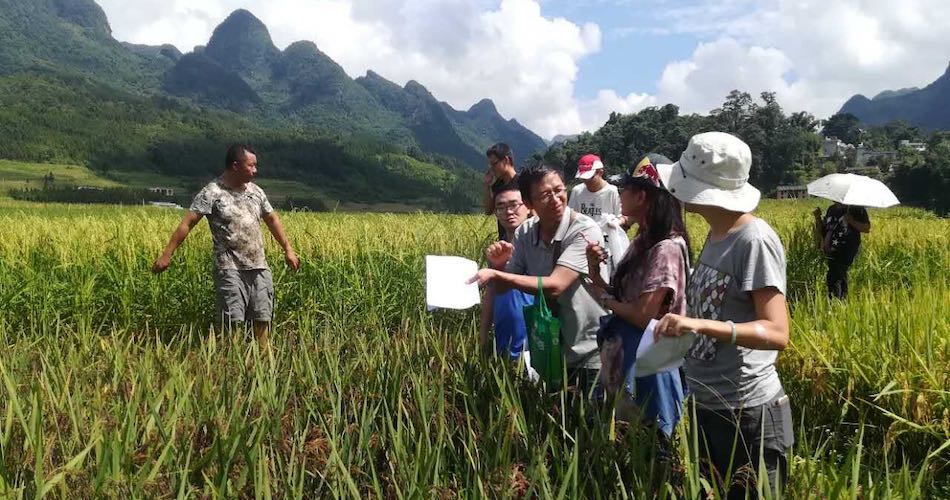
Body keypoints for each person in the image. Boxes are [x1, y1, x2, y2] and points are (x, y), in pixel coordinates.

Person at [655, 132, 793, 498]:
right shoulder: (717, 235)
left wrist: (699, 324)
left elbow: (777, 330)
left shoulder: (754, 240)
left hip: (747, 411)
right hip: (708, 401)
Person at [469, 164, 608, 392]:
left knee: (591, 420)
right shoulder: (526, 233)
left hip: (587, 348)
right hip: (550, 347)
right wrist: (499, 265)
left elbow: (556, 286)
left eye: (559, 190)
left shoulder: (583, 230)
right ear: (530, 204)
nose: (555, 199)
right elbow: (503, 289)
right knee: (554, 417)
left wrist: (497, 274)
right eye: (545, 195)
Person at [584, 154, 689, 438]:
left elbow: (643, 315)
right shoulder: (643, 240)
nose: (620, 195)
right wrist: (594, 268)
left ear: (641, 196)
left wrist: (607, 302)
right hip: (628, 356)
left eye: (624, 189)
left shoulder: (666, 247)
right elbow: (620, 295)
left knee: (648, 443)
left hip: (649, 363)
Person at [152, 144, 301, 345]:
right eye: (251, 166)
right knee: (232, 324)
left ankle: (263, 367)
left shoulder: (256, 192)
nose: (255, 170)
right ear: (235, 166)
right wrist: (167, 254)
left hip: (259, 267)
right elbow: (188, 223)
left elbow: (272, 219)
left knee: (262, 321)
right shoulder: (212, 192)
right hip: (229, 269)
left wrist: (288, 249)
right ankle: (230, 366)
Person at [478, 181, 535, 364]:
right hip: (505, 339)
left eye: (513, 205)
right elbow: (491, 292)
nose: (508, 212)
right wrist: (483, 334)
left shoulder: (541, 246)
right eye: (500, 207)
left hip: (536, 344)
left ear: (529, 207)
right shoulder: (498, 248)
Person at [812, 202, 870, 299]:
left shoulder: (855, 209)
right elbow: (825, 228)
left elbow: (866, 228)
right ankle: (839, 301)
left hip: (846, 249)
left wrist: (851, 221)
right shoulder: (831, 209)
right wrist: (818, 217)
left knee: (836, 275)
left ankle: (836, 302)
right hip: (831, 249)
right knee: (834, 276)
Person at [483, 143, 519, 241]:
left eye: (494, 164)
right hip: (504, 238)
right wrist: (486, 186)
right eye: (490, 165)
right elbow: (488, 211)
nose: (491, 168)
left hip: (523, 239)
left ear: (506, 160)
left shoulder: (522, 182)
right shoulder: (497, 185)